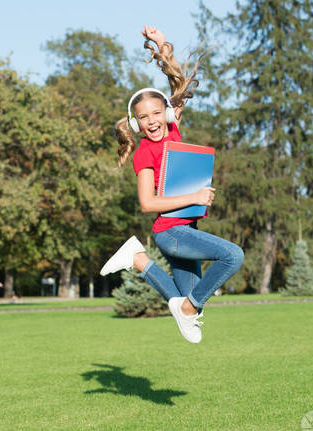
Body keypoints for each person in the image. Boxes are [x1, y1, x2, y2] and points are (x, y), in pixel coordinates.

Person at [100, 25, 244, 344]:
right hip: (170, 233)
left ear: (166, 114)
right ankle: (188, 311)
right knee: (233, 256)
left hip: (186, 229)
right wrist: (193, 195)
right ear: (137, 123)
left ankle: (139, 260)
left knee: (187, 297)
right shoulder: (144, 153)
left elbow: (177, 81)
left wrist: (161, 43)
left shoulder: (173, 133)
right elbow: (147, 204)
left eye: (156, 113)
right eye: (144, 117)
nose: (151, 121)